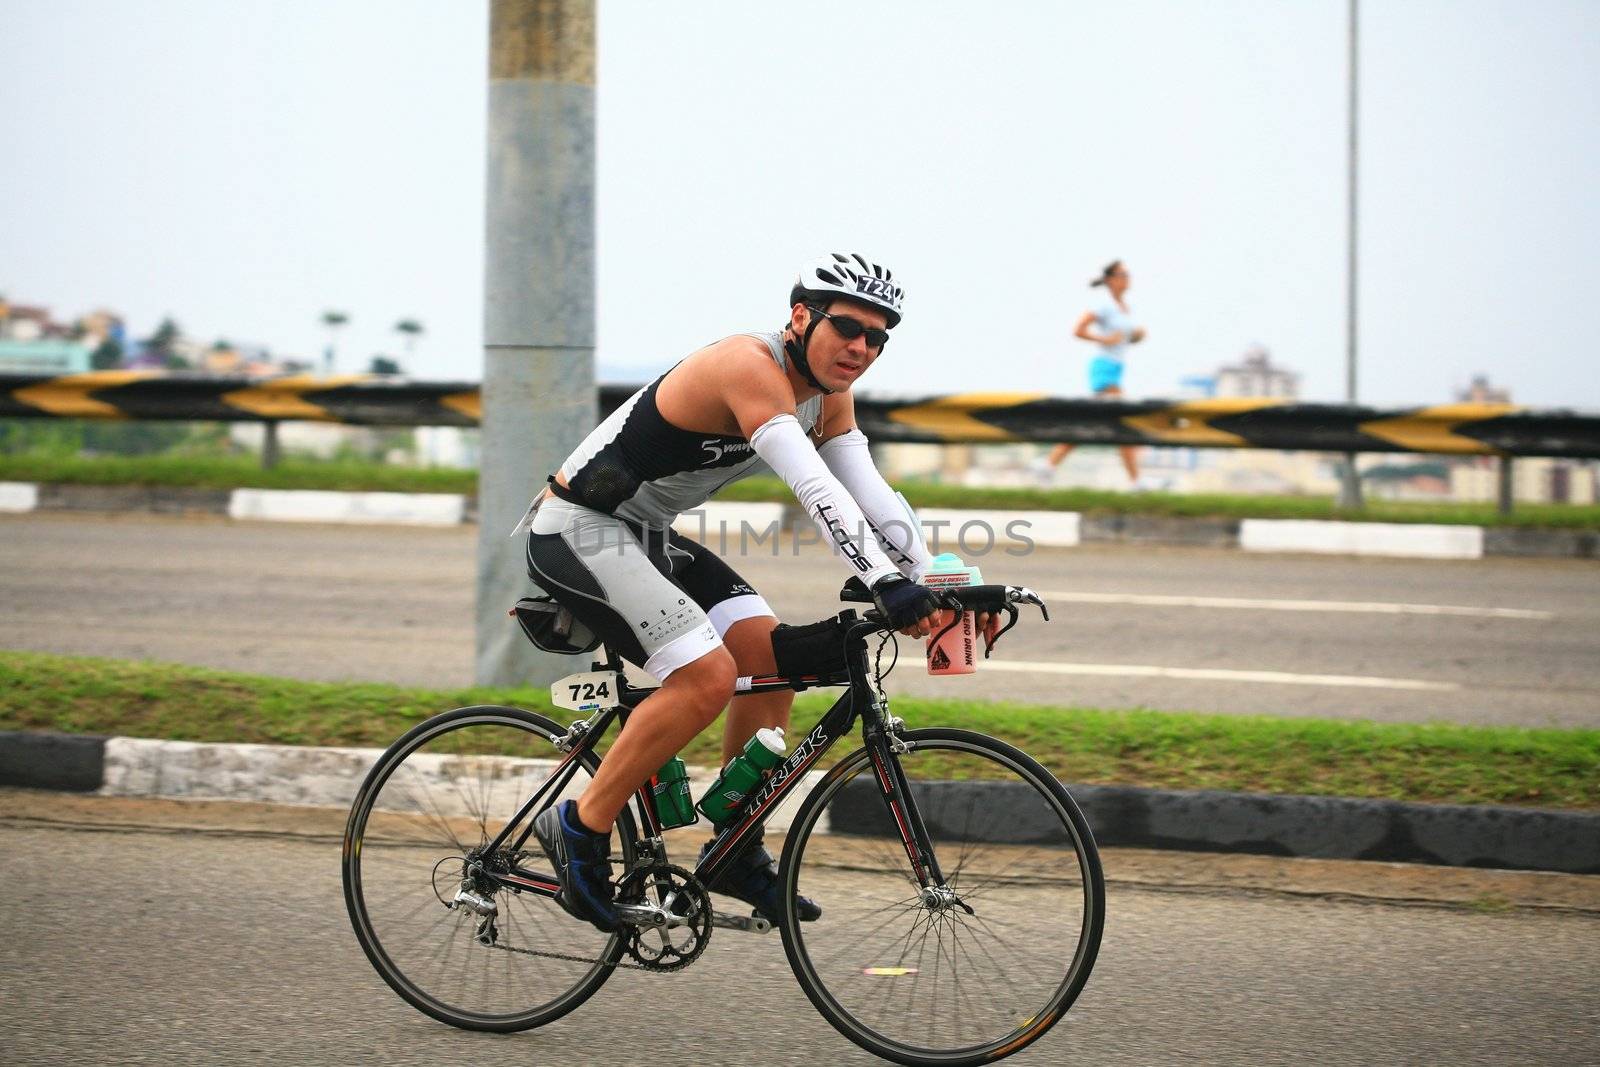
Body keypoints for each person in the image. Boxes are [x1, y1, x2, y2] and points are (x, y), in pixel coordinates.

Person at [521, 252, 998, 932]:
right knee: (706, 677)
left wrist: (931, 576)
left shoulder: (830, 391)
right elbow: (814, 487)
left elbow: (865, 487)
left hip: (646, 532)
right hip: (579, 528)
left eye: (878, 336)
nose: (861, 347)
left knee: (775, 663)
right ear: (801, 316)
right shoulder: (749, 365)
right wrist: (882, 580)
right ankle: (579, 825)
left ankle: (737, 846)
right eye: (848, 327)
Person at [1045, 259, 1146, 484]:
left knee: (1091, 423)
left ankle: (1048, 466)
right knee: (1121, 421)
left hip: (1118, 368)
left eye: (1128, 274)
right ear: (1111, 280)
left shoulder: (1126, 308)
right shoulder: (1104, 305)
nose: (1127, 278)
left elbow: (1126, 338)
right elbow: (1078, 330)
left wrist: (1136, 336)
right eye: (1123, 274)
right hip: (1104, 368)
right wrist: (1105, 339)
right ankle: (1136, 482)